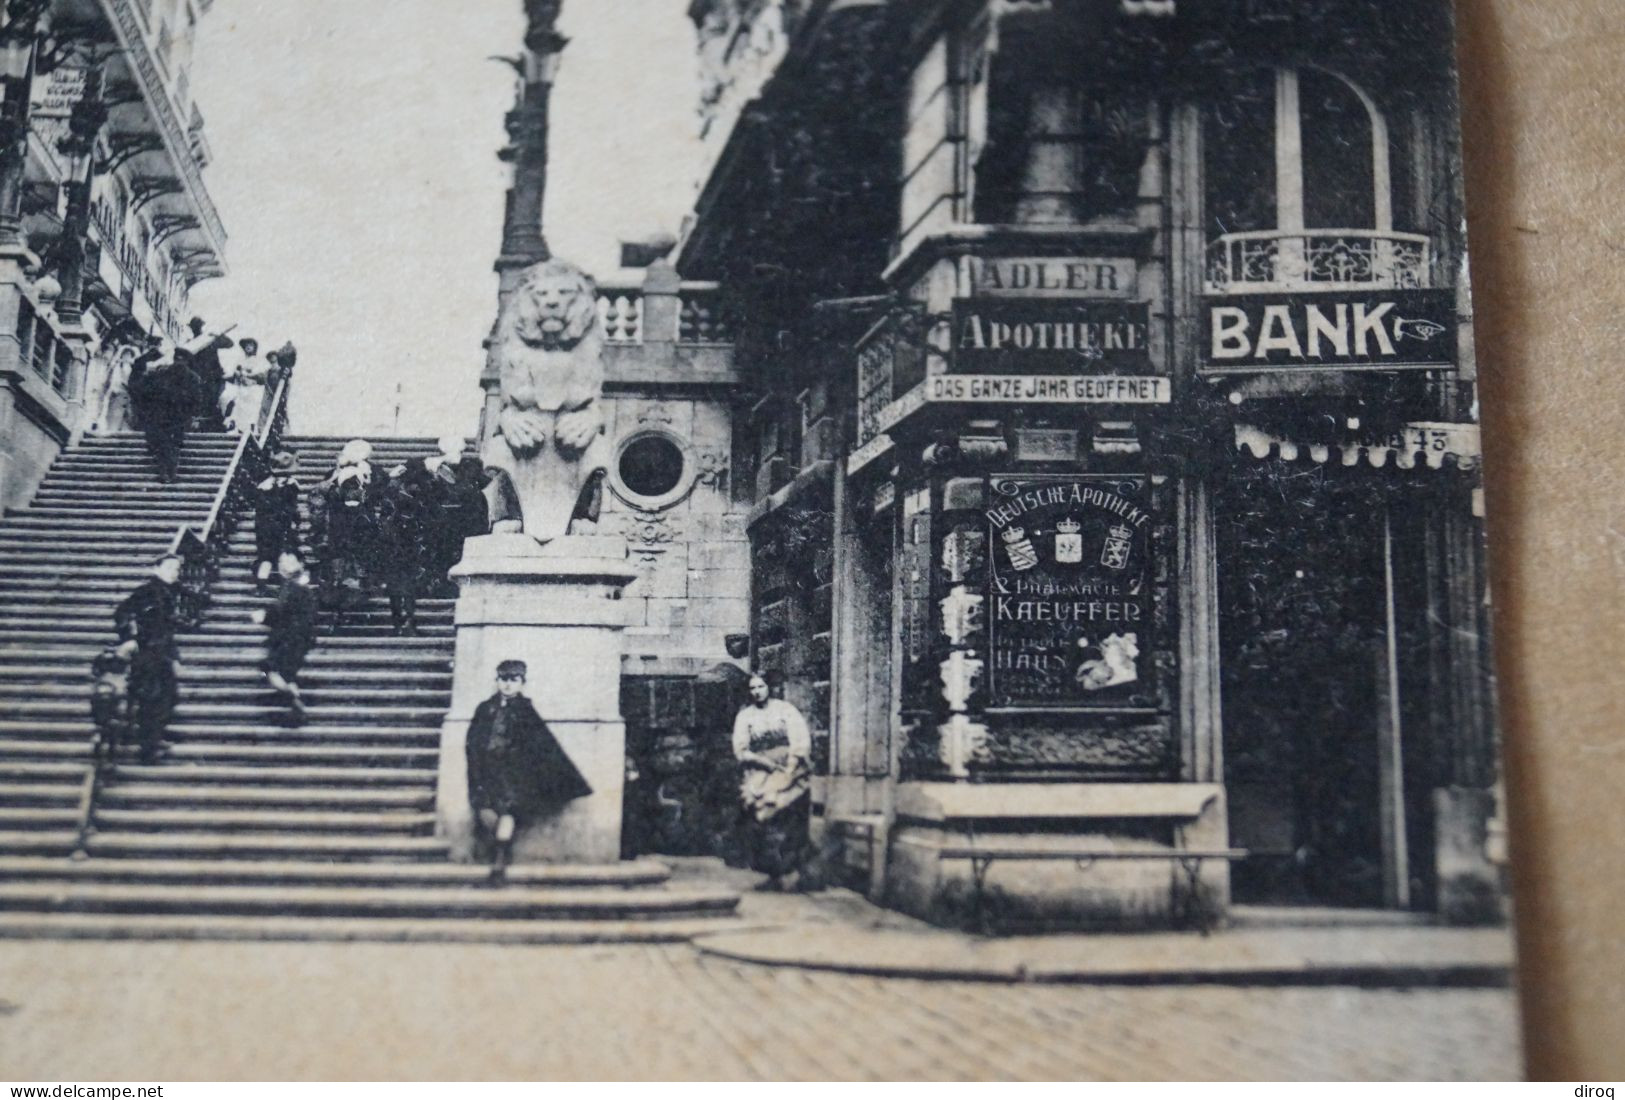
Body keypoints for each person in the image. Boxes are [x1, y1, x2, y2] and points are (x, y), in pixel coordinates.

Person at [466, 659, 592, 878]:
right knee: (485, 809)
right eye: (503, 679)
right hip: (487, 769)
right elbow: (473, 740)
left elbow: (542, 744)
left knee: (508, 810)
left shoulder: (525, 711)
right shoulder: (485, 708)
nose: (508, 685)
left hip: (512, 772)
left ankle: (500, 859)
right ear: (496, 681)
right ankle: (493, 849)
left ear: (522, 683)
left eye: (514, 680)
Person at [731, 674, 812, 891]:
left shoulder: (785, 710)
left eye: (761, 686)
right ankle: (773, 874)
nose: (757, 691)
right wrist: (762, 762)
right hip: (759, 770)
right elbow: (741, 749)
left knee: (788, 818)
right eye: (753, 688)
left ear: (770, 687)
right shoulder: (745, 716)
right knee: (760, 818)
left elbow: (800, 740)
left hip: (788, 770)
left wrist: (791, 768)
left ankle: (796, 873)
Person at [113, 554, 184, 764]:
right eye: (169, 567)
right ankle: (148, 750)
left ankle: (155, 738)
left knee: (168, 697)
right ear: (156, 569)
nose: (174, 572)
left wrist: (174, 657)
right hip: (146, 654)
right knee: (152, 700)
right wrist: (130, 638)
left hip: (161, 653)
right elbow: (122, 613)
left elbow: (166, 631)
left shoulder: (168, 593)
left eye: (177, 568)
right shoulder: (146, 591)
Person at [308, 439, 380, 624]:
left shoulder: (334, 485)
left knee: (340, 574)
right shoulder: (352, 483)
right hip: (347, 537)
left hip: (339, 537)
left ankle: (341, 610)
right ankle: (347, 608)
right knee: (349, 573)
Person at [250, 549, 317, 723]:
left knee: (269, 669)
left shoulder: (295, 585)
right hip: (296, 638)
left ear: (300, 564)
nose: (282, 565)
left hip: (290, 638)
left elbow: (283, 612)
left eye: (288, 561)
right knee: (286, 674)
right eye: (280, 562)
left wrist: (264, 616)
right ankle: (296, 705)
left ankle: (294, 701)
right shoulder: (294, 583)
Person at [376, 461, 435, 635]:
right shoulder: (416, 495)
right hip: (407, 549)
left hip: (398, 549)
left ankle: (400, 623)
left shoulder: (395, 494)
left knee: (398, 589)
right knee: (407, 588)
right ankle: (407, 621)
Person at [127, 349, 200, 483]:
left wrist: (193, 416)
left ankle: (169, 472)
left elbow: (195, 400)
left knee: (171, 444)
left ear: (186, 361)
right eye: (177, 360)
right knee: (166, 444)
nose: (179, 363)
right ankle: (166, 472)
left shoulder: (191, 378)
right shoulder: (165, 374)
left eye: (181, 360)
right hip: (165, 415)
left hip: (178, 417)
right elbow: (150, 391)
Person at [427, 454, 491, 596]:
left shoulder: (466, 489)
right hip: (460, 530)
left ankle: (443, 587)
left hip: (455, 530)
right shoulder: (473, 491)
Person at [252, 450, 303, 593]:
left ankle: (261, 587)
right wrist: (295, 521)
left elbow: (259, 509)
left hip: (264, 525)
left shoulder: (264, 485)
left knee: (266, 556)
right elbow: (292, 508)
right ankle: (287, 586)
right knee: (286, 553)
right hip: (283, 524)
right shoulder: (292, 485)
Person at [176, 317, 235, 432]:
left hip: (213, 376)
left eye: (197, 326)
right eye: (194, 326)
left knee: (212, 399)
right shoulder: (191, 343)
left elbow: (229, 344)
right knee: (198, 400)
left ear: (201, 326)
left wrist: (218, 335)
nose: (195, 328)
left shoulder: (209, 340)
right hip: (197, 376)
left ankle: (212, 425)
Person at [222, 337, 268, 435]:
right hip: (242, 388)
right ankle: (236, 428)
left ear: (254, 347)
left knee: (252, 409)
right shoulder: (240, 361)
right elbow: (235, 375)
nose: (248, 347)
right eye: (246, 345)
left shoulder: (258, 361)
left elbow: (262, 376)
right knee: (236, 405)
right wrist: (237, 374)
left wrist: (249, 376)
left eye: (250, 345)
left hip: (253, 389)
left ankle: (251, 429)